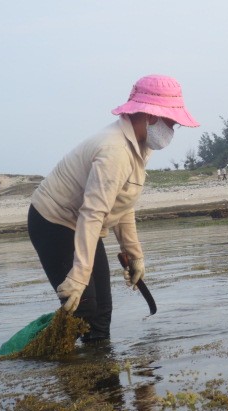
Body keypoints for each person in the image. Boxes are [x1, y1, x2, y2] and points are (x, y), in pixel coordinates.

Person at [27, 74, 199, 342]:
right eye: (171, 122)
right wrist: (79, 276)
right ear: (150, 116)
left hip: (83, 223)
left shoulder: (140, 148)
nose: (173, 130)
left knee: (102, 312)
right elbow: (93, 212)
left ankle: (98, 374)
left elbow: (123, 203)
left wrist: (134, 254)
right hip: (54, 221)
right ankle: (63, 367)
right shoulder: (115, 151)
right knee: (83, 306)